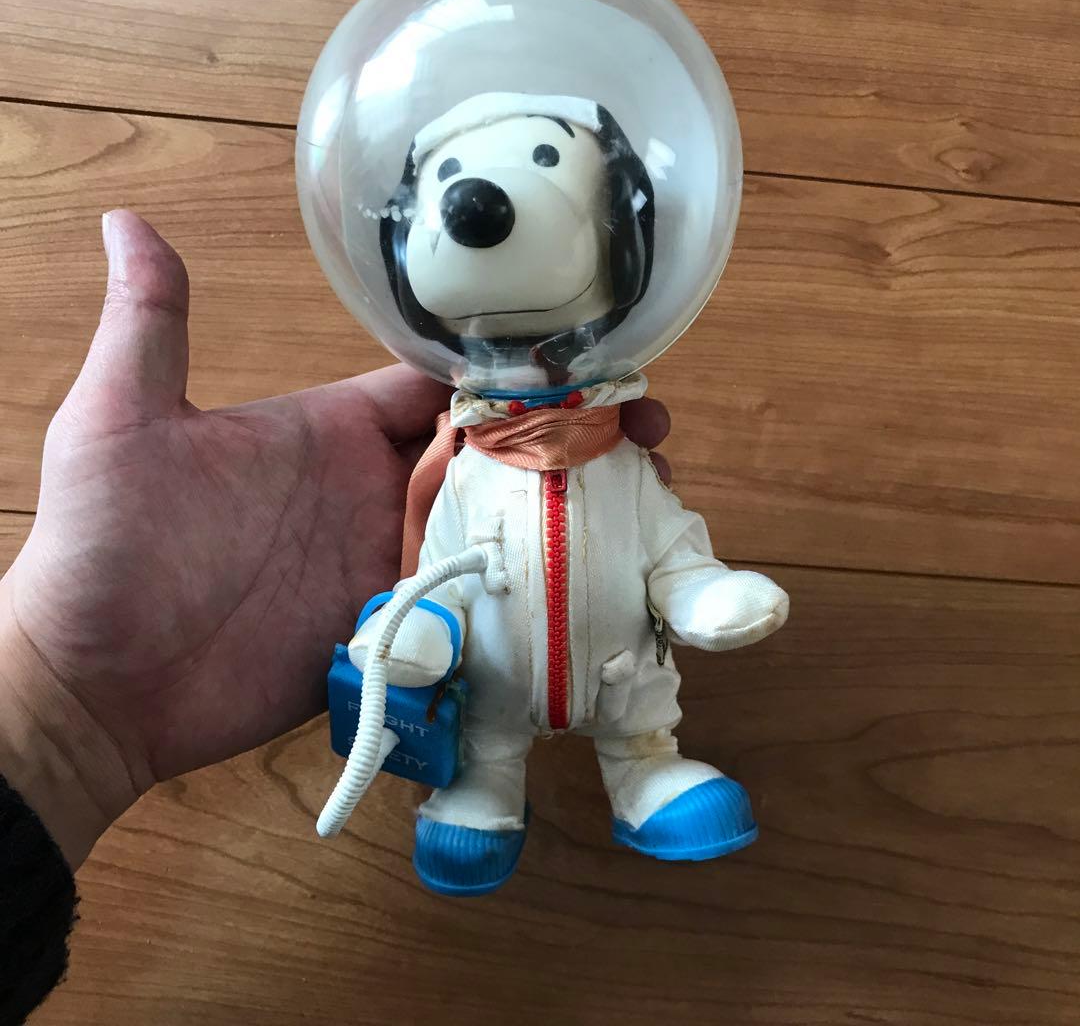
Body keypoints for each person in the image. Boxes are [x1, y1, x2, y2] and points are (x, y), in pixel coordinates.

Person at [0, 211, 674, 1023]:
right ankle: (484, 784)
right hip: (490, 676)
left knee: (634, 698)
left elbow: (670, 539)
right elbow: (439, 557)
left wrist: (695, 585)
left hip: (623, 670)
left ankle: (647, 764)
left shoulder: (609, 458)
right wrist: (412, 628)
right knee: (484, 730)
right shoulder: (459, 467)